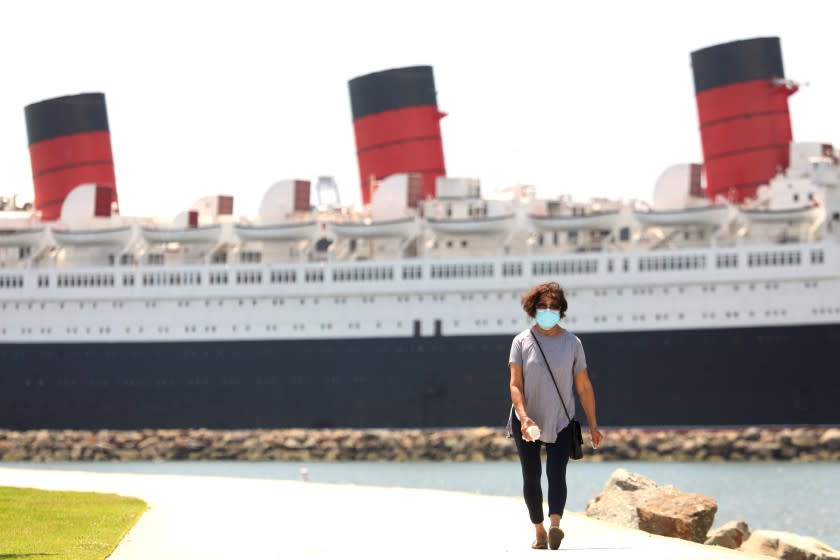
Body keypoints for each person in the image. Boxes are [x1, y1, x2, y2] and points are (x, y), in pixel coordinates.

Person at [508, 281, 603, 550]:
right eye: (542, 306)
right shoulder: (521, 341)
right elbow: (515, 384)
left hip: (561, 419)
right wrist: (524, 418)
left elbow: (583, 386)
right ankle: (539, 530)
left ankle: (555, 526)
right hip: (526, 419)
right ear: (532, 309)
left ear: (561, 310)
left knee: (556, 473)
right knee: (531, 475)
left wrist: (593, 424)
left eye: (553, 306)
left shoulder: (572, 343)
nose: (548, 310)